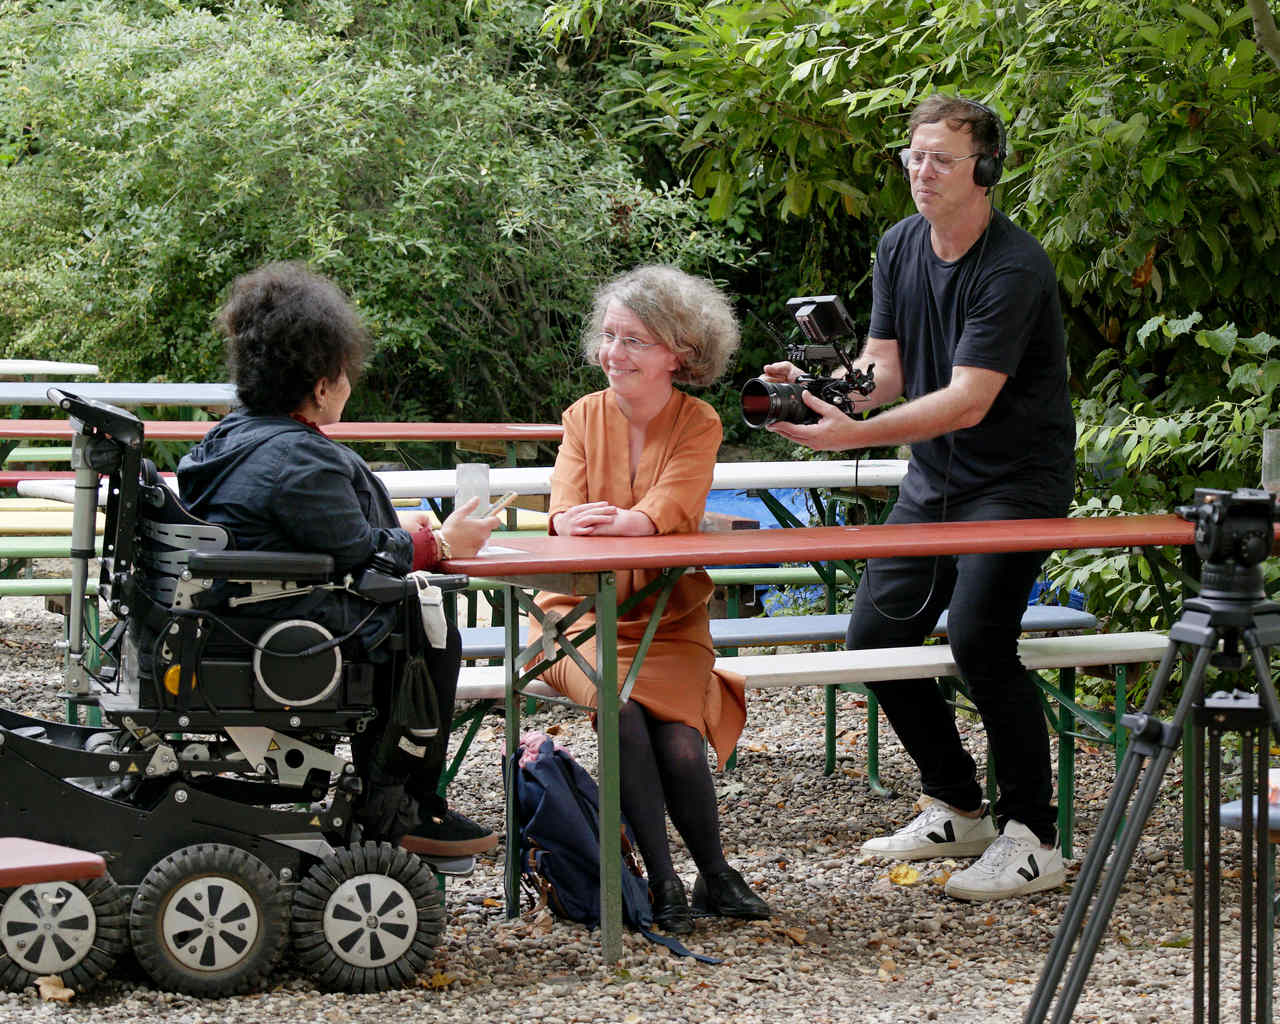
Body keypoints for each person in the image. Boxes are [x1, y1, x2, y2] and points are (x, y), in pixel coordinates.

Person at [761, 95, 1076, 901]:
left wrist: (851, 437)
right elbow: (886, 374)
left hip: (1015, 485)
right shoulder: (900, 244)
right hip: (934, 483)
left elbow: (970, 398)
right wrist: (825, 390)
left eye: (940, 158)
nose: (921, 172)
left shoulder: (1013, 265)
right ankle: (958, 803)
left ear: (986, 170)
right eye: (913, 157)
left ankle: (1033, 836)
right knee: (873, 639)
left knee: (979, 641)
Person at [177, 261, 502, 858]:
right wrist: (443, 543)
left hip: (223, 615)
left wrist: (402, 532)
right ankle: (399, 804)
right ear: (323, 385)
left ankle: (397, 801)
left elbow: (303, 529)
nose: (350, 384)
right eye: (345, 373)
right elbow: (361, 558)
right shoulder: (300, 459)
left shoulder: (227, 439)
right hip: (275, 629)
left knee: (411, 611)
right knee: (421, 622)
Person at [532, 265, 771, 934]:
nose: (614, 353)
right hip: (572, 619)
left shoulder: (699, 421)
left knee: (682, 744)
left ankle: (713, 875)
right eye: (610, 336)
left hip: (669, 619)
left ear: (679, 353)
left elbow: (677, 502)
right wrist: (569, 521)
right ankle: (665, 883)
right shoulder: (582, 415)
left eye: (634, 340)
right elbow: (562, 508)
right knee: (625, 709)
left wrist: (632, 521)